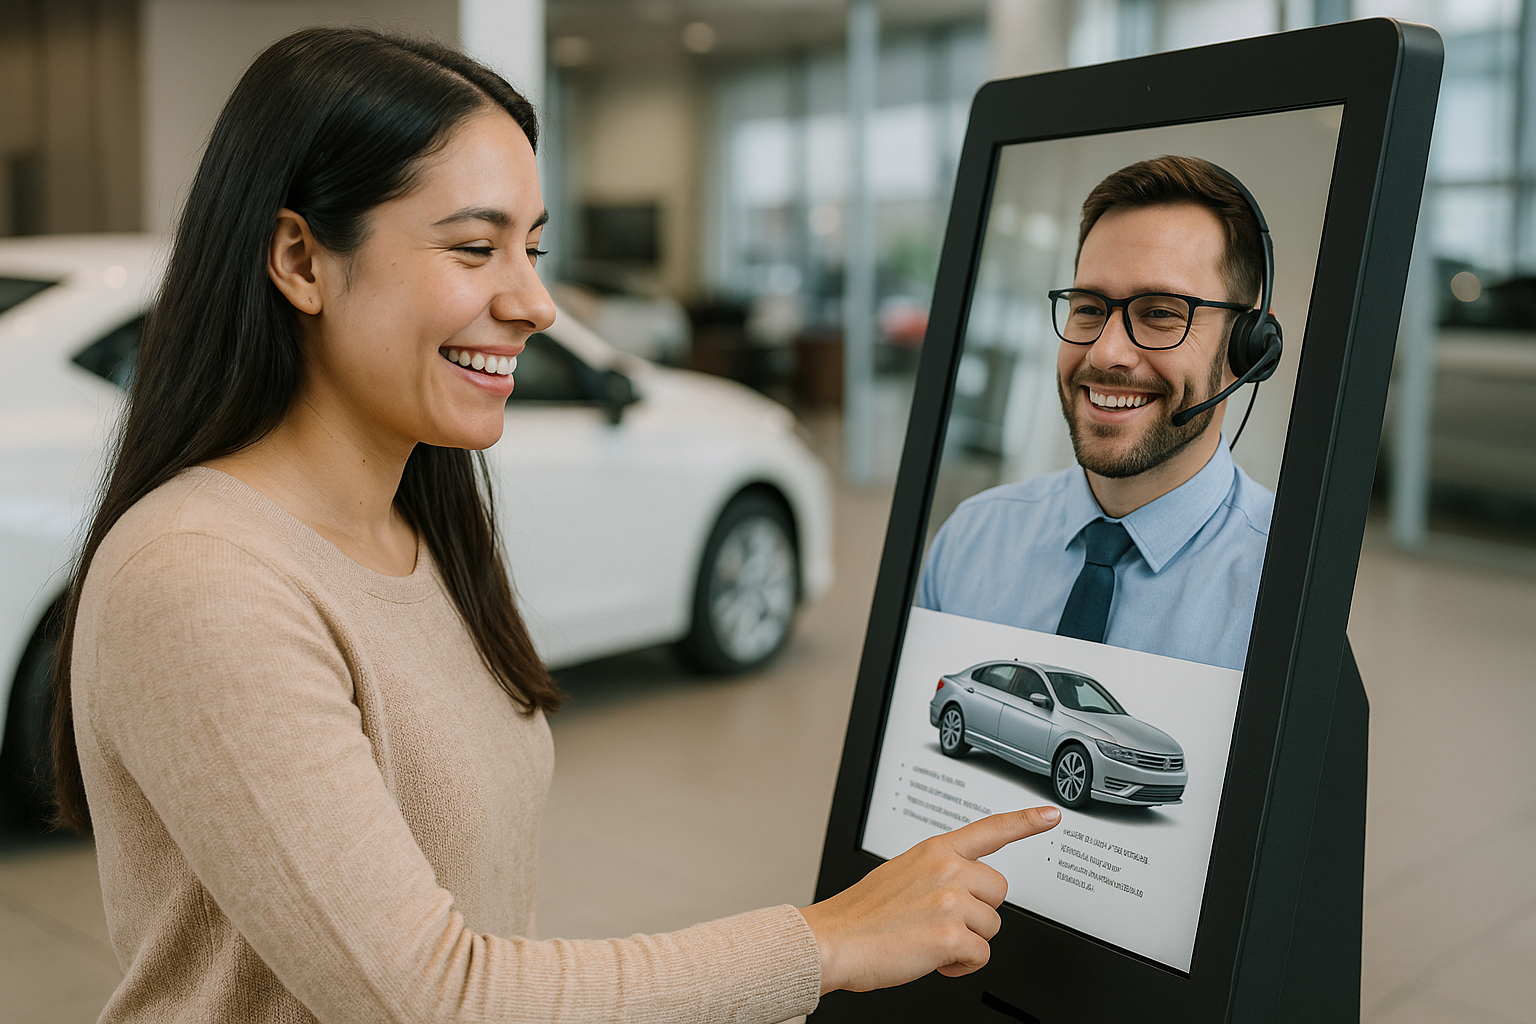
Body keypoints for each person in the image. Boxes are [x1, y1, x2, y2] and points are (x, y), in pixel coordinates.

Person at [47, 27, 1059, 1024]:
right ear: (301, 259)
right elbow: (435, 998)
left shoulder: (418, 528)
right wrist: (826, 942)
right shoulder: (201, 578)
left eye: (532, 250)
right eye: (475, 247)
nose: (534, 302)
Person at [919, 156, 1276, 671]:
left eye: (1160, 313)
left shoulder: (1283, 588)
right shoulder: (970, 540)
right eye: (1087, 307)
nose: (1106, 353)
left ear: (1247, 351)